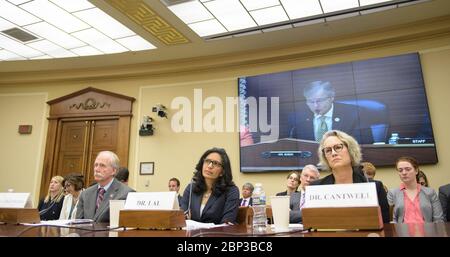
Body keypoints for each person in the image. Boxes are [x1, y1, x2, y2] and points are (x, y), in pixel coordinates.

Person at [310, 130, 390, 223]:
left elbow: (385, 226)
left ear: (351, 150)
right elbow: (313, 225)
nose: (333, 153)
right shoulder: (316, 188)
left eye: (338, 147)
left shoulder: (375, 188)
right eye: (328, 150)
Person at [288, 81, 373, 144]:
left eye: (320, 101)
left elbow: (364, 144)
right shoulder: (298, 120)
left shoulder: (354, 114)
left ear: (331, 97)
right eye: (310, 101)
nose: (315, 106)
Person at [180, 147, 239, 224]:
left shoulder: (231, 191)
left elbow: (227, 223)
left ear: (222, 172)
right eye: (207, 161)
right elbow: (182, 217)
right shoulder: (191, 188)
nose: (210, 166)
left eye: (215, 163)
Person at [76, 151, 135, 223]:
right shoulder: (85, 194)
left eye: (102, 165)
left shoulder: (127, 194)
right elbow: (78, 223)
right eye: (96, 165)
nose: (96, 169)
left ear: (113, 171)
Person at [387, 156, 444, 223]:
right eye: (400, 170)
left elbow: (438, 219)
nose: (404, 173)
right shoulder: (393, 193)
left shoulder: (430, 192)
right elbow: (392, 220)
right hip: (402, 232)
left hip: (428, 231)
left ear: (416, 171)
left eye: (408, 169)